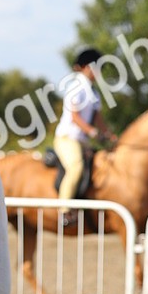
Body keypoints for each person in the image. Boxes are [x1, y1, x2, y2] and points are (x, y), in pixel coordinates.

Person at [52, 47, 112, 228]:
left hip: (82, 141)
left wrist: (109, 135)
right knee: (76, 167)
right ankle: (64, 210)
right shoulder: (76, 87)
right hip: (67, 139)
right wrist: (93, 132)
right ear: (87, 67)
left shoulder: (94, 92)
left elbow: (98, 120)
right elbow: (75, 117)